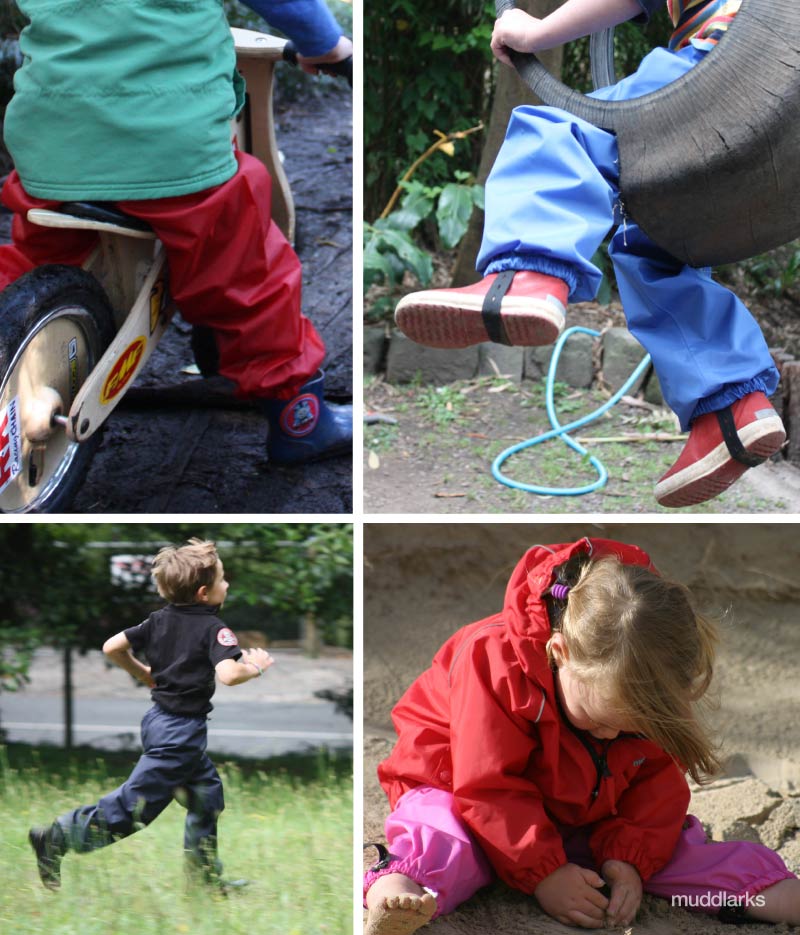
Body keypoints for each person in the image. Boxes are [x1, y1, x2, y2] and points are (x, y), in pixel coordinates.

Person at [394, 0, 785, 506]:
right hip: (779, 142)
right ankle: (733, 408)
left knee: (561, 130)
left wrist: (534, 33)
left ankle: (530, 274)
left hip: (736, 63)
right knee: (649, 238)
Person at [364, 537, 800, 933]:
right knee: (445, 839)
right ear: (560, 653)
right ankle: (400, 889)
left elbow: (658, 786)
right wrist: (545, 874)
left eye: (630, 729)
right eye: (598, 721)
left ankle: (766, 891)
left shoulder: (651, 680)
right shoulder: (492, 660)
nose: (611, 734)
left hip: (578, 815)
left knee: (674, 850)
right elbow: (488, 787)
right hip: (464, 796)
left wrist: (628, 859)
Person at [0, 0, 352, 465]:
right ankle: (296, 415)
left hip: (51, 145)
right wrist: (326, 44)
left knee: (40, 259)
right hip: (169, 146)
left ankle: (24, 323)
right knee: (247, 269)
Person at [28, 538, 273, 890]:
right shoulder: (213, 629)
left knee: (206, 797)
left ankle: (204, 883)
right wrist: (256, 666)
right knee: (132, 811)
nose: (227, 584)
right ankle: (56, 838)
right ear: (204, 593)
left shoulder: (158, 620)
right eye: (222, 579)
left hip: (160, 722)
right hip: (180, 735)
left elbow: (112, 647)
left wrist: (145, 674)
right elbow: (230, 675)